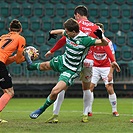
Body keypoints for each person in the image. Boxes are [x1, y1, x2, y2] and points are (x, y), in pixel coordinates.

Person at [24, 18, 119, 122]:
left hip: (71, 69)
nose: (66, 33)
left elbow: (104, 44)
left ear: (73, 32)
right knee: (44, 66)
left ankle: (41, 109)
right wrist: (51, 32)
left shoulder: (85, 39)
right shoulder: (69, 33)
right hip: (63, 60)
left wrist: (101, 37)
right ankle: (30, 65)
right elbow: (61, 32)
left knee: (55, 91)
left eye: (67, 31)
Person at [87, 22, 119, 117]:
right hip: (95, 67)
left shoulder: (108, 42)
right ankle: (89, 111)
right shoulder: (91, 42)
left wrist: (110, 73)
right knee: (90, 88)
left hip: (106, 67)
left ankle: (114, 110)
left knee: (109, 87)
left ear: (103, 31)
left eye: (99, 31)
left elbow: (112, 58)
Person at [0, 19, 26, 123]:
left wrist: (15, 57)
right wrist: (28, 57)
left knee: (5, 91)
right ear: (21, 29)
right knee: (9, 92)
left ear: (9, 29)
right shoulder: (20, 38)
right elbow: (19, 60)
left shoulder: (2, 37)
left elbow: (5, 61)